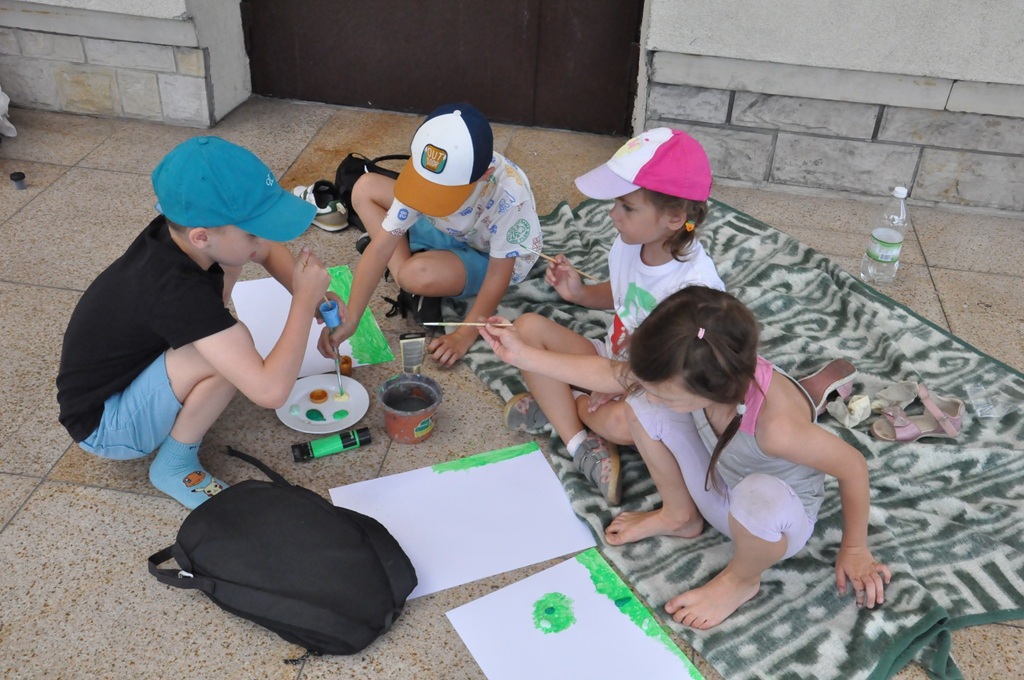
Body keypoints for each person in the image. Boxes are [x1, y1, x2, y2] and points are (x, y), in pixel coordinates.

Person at [479, 286, 891, 629]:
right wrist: (521, 355)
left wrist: (855, 547)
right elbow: (613, 376)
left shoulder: (777, 427)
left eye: (669, 395)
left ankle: (741, 580)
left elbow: (853, 466)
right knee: (641, 402)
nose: (653, 395)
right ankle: (680, 515)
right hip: (721, 486)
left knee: (759, 496)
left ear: (714, 390)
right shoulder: (693, 363)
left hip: (773, 526)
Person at [56, 136, 332, 510]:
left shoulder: (182, 231)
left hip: (122, 381)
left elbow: (263, 249)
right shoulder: (176, 291)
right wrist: (303, 301)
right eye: (252, 230)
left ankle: (187, 387)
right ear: (201, 236)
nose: (262, 238)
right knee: (230, 353)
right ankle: (173, 466)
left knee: (231, 273)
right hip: (107, 426)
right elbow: (270, 392)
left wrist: (319, 299)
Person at [500, 128, 723, 505]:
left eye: (627, 207)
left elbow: (669, 378)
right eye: (617, 203)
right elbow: (626, 294)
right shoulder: (631, 242)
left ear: (674, 217)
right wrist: (580, 293)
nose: (612, 214)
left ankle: (564, 409)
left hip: (654, 387)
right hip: (613, 360)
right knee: (525, 330)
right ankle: (579, 441)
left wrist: (615, 387)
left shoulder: (696, 291)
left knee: (618, 423)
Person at [325, 102, 542, 368]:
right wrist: (351, 319)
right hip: (451, 228)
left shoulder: (510, 196)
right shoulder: (433, 171)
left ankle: (413, 270)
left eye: (442, 191)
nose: (428, 195)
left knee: (412, 275)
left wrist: (463, 335)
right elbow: (379, 249)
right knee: (364, 188)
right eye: (424, 183)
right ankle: (411, 257)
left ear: (485, 175)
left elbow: (499, 275)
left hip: (490, 256)